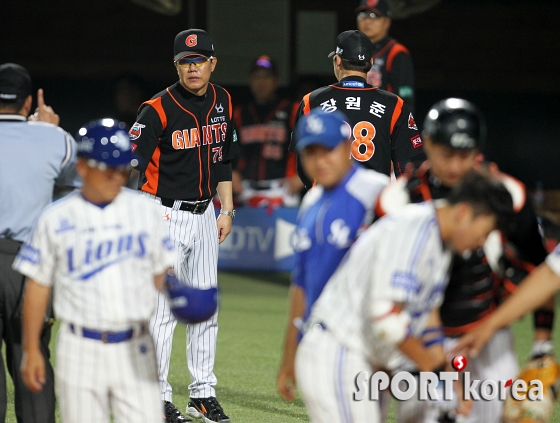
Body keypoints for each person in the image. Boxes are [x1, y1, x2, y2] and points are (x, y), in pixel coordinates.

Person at [375, 98, 555, 423]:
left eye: (465, 155)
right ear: (427, 143)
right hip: (422, 339)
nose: (456, 166)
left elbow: (542, 271)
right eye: (447, 154)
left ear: (479, 150)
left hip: (489, 336)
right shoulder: (397, 201)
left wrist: (542, 343)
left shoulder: (508, 196)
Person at [294, 170, 514, 423]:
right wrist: (434, 371)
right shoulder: (414, 231)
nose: (481, 242)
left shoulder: (439, 242)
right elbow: (386, 320)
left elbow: (428, 316)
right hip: (340, 349)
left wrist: (447, 379)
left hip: (365, 360)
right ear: (463, 213)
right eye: (484, 232)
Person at [14, 119, 176, 423]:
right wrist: (32, 347)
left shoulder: (147, 212)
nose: (118, 176)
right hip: (79, 349)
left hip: (136, 346)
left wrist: (179, 293)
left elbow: (161, 273)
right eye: (108, 168)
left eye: (123, 167)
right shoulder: (56, 218)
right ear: (83, 167)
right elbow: (37, 286)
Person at [130, 29, 237, 423]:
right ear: (176, 65)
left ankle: (202, 394)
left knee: (205, 307)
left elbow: (224, 158)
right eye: (184, 62)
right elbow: (132, 166)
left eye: (199, 60)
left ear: (212, 63)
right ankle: (155, 397)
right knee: (161, 312)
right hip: (163, 215)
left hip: (207, 214)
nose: (192, 67)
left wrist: (227, 209)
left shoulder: (223, 100)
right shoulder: (156, 108)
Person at [277, 109, 389, 401]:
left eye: (328, 149)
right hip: (322, 339)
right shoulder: (311, 200)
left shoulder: (377, 193)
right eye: (310, 152)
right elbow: (301, 281)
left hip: (367, 339)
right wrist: (290, 351)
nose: (320, 160)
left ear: (348, 147)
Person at [0, 62, 79, 423]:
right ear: (29, 99)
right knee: (29, 352)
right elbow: (72, 192)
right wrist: (50, 129)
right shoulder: (58, 140)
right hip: (29, 263)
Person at [290, 30, 425, 189]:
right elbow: (409, 166)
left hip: (329, 198)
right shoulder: (394, 104)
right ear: (371, 63)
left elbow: (303, 164)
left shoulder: (312, 101)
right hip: (375, 203)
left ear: (338, 60)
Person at [232, 55, 303, 207]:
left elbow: (310, 145)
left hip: (282, 190)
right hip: (245, 190)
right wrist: (230, 172)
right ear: (250, 81)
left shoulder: (292, 110)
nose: (261, 82)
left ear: (276, 81)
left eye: (266, 77)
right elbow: (225, 148)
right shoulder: (239, 114)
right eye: (257, 77)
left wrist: (303, 176)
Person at [356, 0, 416, 112]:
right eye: (363, 15)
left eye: (374, 16)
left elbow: (405, 101)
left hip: (384, 121)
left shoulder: (397, 53)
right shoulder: (353, 50)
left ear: (386, 22)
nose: (367, 21)